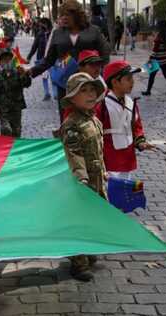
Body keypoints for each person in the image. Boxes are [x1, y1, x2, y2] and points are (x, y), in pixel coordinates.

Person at [58, 72, 107, 282]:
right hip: (82, 180)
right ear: (72, 97)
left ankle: (88, 249)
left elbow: (99, 150)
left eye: (92, 90)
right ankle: (78, 262)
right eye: (83, 90)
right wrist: (81, 176)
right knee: (79, 219)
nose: (90, 94)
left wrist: (104, 171)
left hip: (97, 178)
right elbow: (73, 152)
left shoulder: (94, 120)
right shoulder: (71, 124)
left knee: (94, 216)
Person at [29, 0, 110, 120]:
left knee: (90, 117)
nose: (64, 18)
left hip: (88, 83)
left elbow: (105, 54)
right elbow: (48, 60)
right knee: (66, 119)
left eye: (68, 14)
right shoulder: (57, 33)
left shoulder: (93, 31)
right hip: (65, 84)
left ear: (77, 15)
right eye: (62, 15)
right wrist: (31, 71)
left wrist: (94, 68)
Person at [97, 60, 154, 178]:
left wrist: (140, 142)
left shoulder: (131, 103)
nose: (132, 82)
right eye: (128, 79)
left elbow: (136, 126)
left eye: (132, 79)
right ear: (115, 82)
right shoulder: (102, 104)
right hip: (109, 159)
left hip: (127, 158)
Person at [0, 46, 32, 137]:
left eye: (9, 60)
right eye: (4, 60)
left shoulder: (18, 74)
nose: (7, 62)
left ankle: (15, 148)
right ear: (0, 63)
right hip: (4, 108)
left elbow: (27, 84)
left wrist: (25, 75)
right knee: (6, 129)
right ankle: (5, 147)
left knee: (16, 130)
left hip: (16, 107)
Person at [143, 20, 166, 95]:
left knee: (152, 75)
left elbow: (155, 50)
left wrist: (150, 58)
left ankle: (148, 91)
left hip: (157, 59)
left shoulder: (159, 36)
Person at [26, 18, 52, 101]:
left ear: (46, 23)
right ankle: (47, 93)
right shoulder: (39, 34)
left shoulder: (53, 34)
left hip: (52, 57)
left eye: (42, 24)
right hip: (41, 58)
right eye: (40, 24)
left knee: (54, 76)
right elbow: (34, 47)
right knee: (44, 76)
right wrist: (29, 57)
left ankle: (56, 93)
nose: (40, 25)